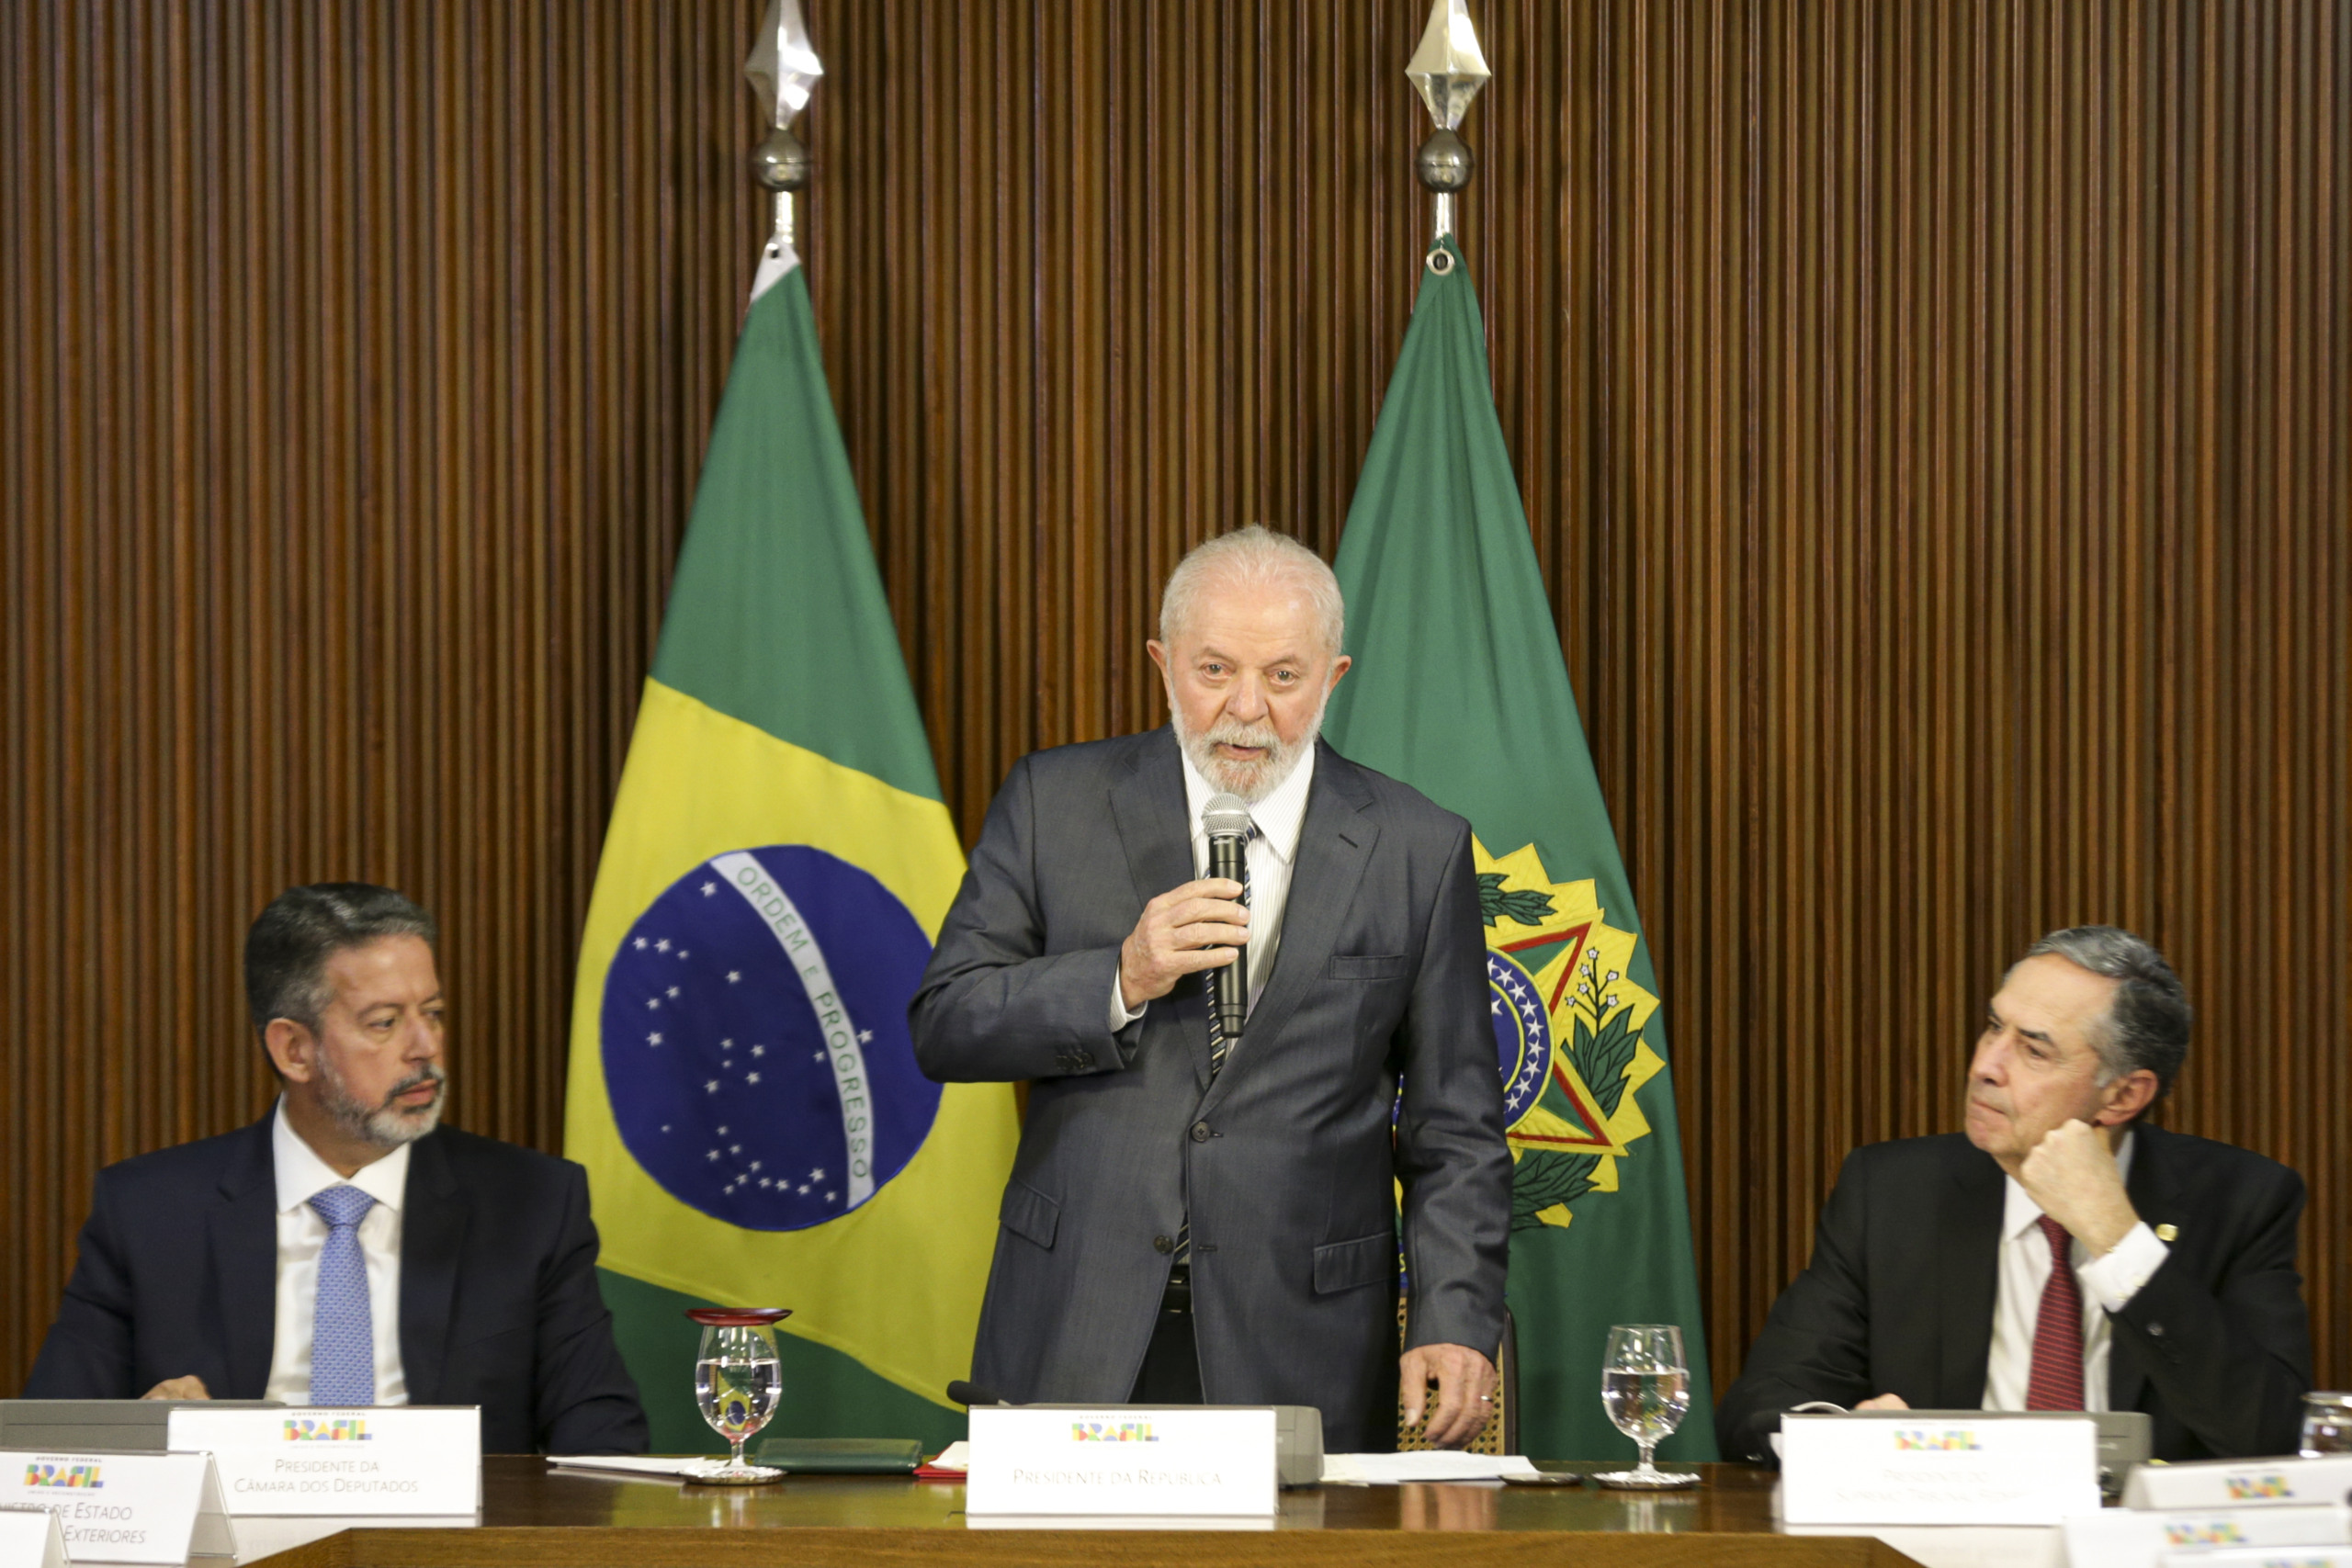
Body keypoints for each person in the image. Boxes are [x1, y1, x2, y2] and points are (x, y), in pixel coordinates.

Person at [910, 526, 1510, 1452]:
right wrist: (1119, 978)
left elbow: (1455, 1126)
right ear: (1161, 663)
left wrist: (1454, 1316)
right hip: (1078, 1323)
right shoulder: (1052, 802)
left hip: (1303, 1339)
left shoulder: (1415, 847)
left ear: (1333, 675)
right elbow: (944, 1024)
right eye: (1213, 669)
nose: (1245, 709)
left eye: (1282, 676)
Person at [26, 885, 648, 1455]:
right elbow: (46, 1449)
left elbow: (606, 1444)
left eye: (432, 1012)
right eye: (384, 1022)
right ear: (294, 1049)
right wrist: (140, 1435)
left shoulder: (532, 1203)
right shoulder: (149, 1213)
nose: (424, 1046)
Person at [1717, 927, 2311, 1463]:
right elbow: (1765, 1401)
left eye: (2034, 1049)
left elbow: (2270, 1434)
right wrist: (1844, 1436)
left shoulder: (2242, 1200)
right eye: (1995, 1026)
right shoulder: (1892, 1191)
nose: (1985, 1065)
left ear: (2123, 1095)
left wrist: (2119, 1240)